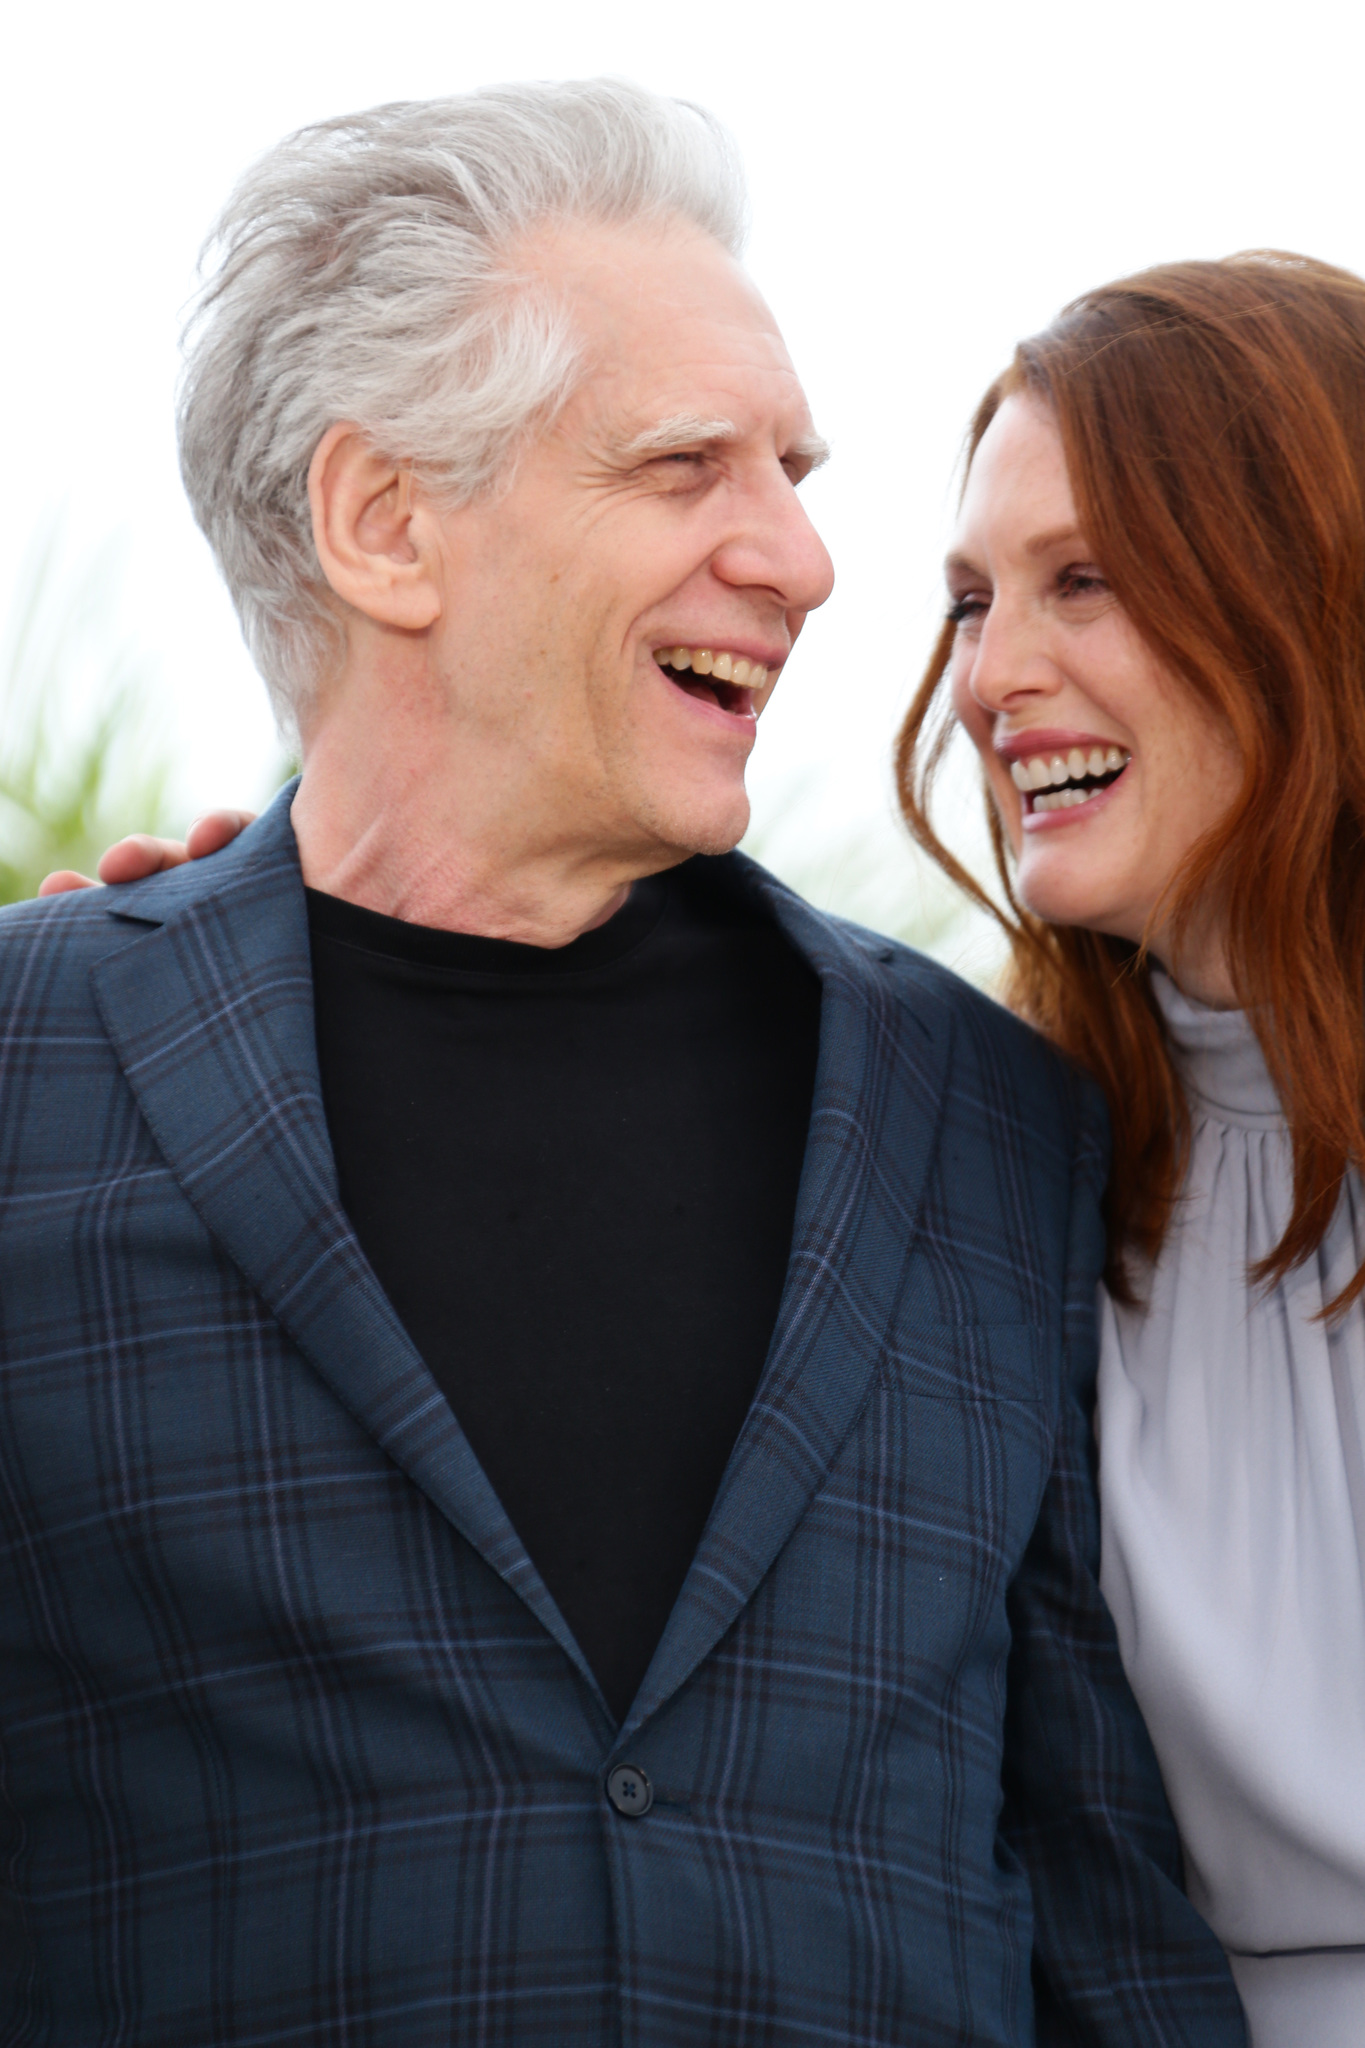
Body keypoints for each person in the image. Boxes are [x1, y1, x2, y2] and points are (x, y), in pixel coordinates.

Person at [1, 83, 1244, 2045]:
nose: (805, 559)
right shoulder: (32, 1066)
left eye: (795, 466)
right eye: (685, 467)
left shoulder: (986, 1113)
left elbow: (1100, 1897)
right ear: (384, 523)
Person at [897, 251, 1365, 2048]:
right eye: (966, 600)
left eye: (1080, 580)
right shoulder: (978, 1163)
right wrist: (246, 930)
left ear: (1306, 584)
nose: (990, 678)